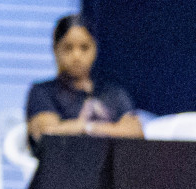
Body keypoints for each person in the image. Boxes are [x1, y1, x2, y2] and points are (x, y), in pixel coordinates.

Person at [26, 15, 142, 146]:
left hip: (108, 164)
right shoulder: (42, 92)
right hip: (62, 164)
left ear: (95, 49)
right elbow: (47, 133)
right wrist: (112, 130)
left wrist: (86, 128)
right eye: (68, 48)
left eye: (84, 47)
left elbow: (135, 132)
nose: (77, 56)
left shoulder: (113, 93)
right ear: (55, 49)